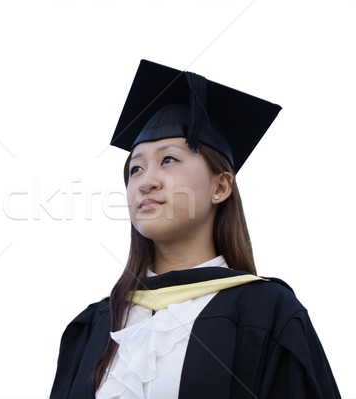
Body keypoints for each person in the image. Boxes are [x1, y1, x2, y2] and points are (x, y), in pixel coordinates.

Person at [49, 60, 340, 399]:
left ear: (221, 186)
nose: (145, 182)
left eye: (168, 160)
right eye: (135, 168)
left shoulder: (268, 313)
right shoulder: (96, 325)